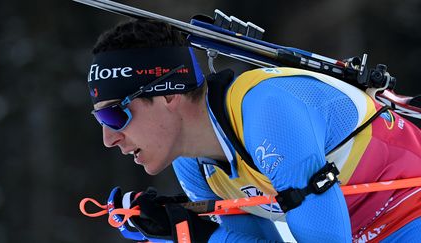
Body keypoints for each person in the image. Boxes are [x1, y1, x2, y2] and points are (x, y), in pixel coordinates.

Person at [85, 18, 421, 242]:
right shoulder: (191, 161)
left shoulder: (268, 113)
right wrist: (186, 231)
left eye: (116, 116)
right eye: (102, 122)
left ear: (169, 93)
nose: (109, 138)